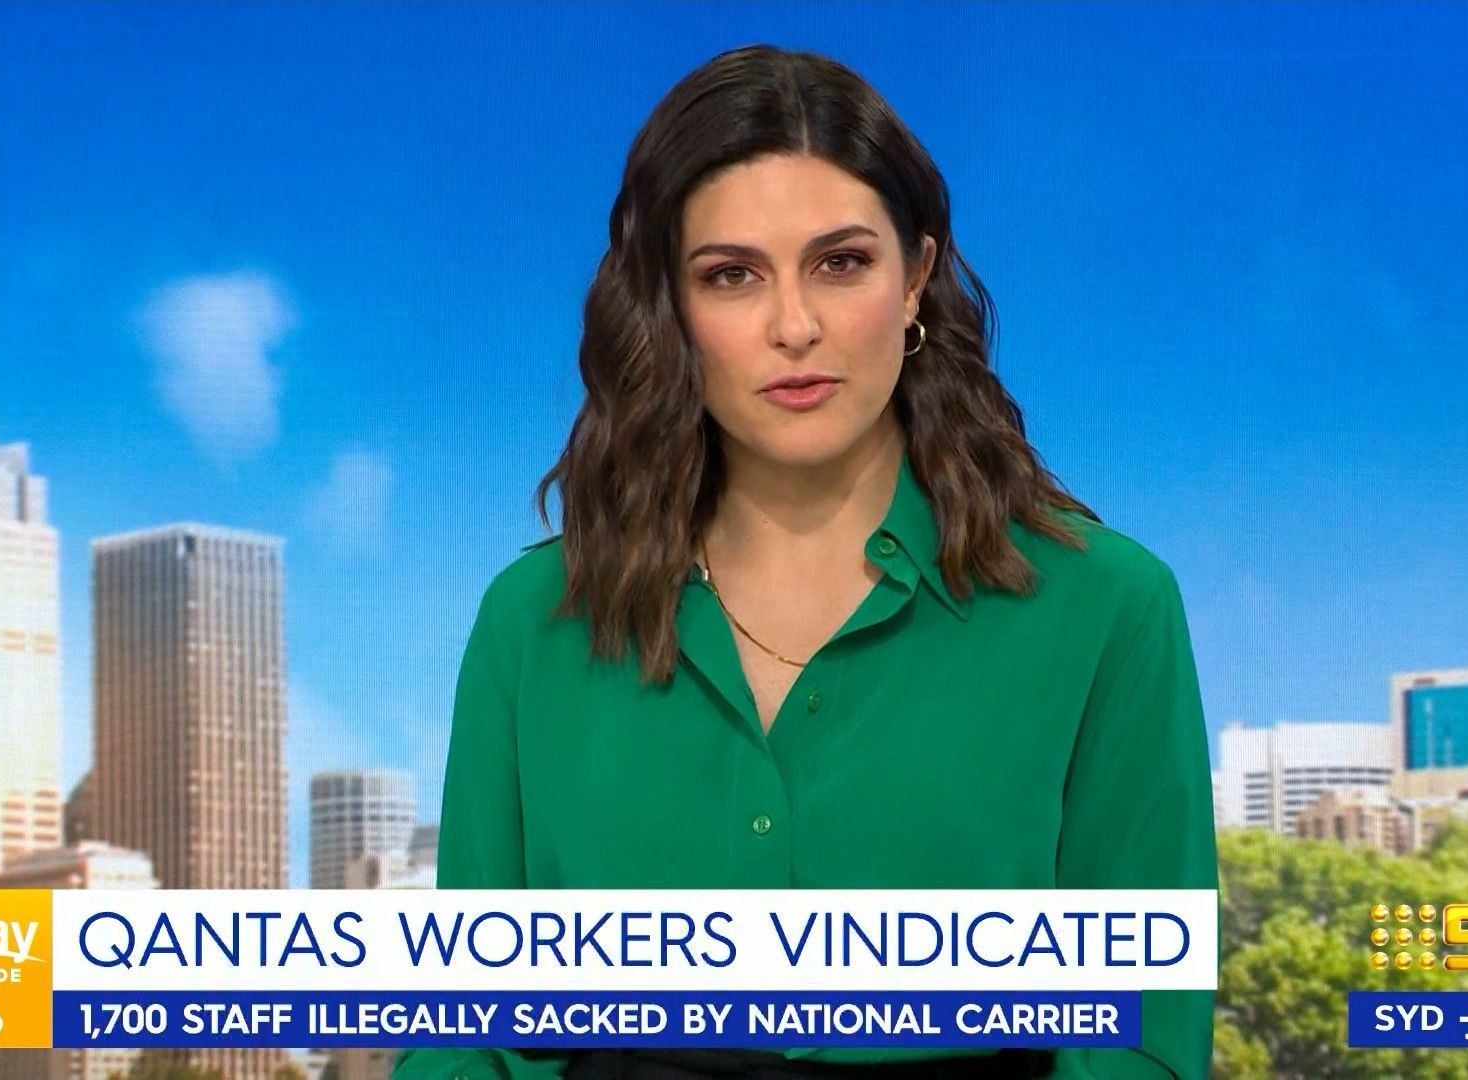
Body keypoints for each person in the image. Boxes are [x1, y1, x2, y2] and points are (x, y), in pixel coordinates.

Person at [395, 43, 1216, 1080]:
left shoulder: (1108, 608)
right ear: (670, 308)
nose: (795, 326)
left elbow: (1146, 1041)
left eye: (841, 264)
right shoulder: (532, 622)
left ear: (915, 279)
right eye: (731, 276)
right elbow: (463, 1040)